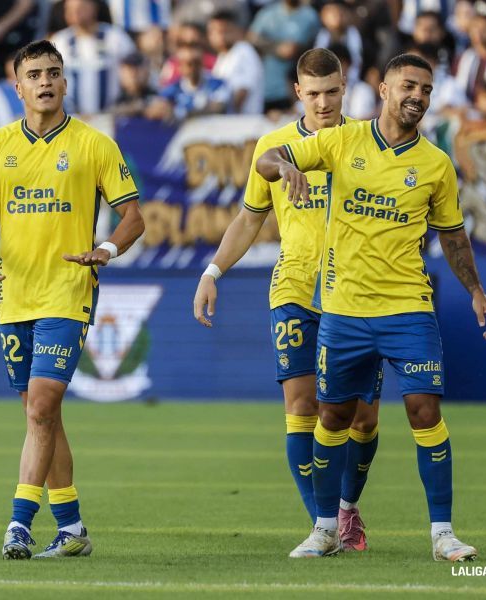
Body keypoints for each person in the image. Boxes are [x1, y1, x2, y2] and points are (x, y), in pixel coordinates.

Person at [256, 53, 486, 560]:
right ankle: (325, 529)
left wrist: (476, 290)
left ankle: (443, 534)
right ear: (384, 90)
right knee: (333, 417)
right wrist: (285, 167)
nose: (417, 96)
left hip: (408, 307)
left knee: (423, 409)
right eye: (408, 85)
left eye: (426, 89)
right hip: (344, 309)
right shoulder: (343, 140)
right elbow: (268, 158)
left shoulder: (436, 164)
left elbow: (453, 235)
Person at [0, 40, 145, 560]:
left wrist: (105, 249)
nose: (45, 82)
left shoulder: (94, 145)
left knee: (41, 407)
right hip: (13, 294)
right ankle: (72, 526)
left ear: (65, 82)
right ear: (18, 87)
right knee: (41, 415)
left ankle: (19, 524)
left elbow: (133, 217)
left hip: (68, 290)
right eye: (34, 74)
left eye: (54, 73)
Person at [193, 48, 381, 557]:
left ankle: (346, 506)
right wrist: (212, 272)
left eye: (332, 92)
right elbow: (249, 218)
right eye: (313, 93)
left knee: (363, 419)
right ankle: (323, 524)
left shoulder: (366, 141)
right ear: (297, 92)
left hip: (357, 295)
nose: (323, 103)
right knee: (302, 406)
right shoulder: (273, 147)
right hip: (295, 288)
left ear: (345, 89)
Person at [50, 0, 136, 115]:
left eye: (80, 8)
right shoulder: (59, 41)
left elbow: (135, 73)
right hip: (71, 118)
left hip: (111, 117)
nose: (74, 12)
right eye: (69, 9)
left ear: (93, 8)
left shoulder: (116, 37)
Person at [145, 41, 230, 121]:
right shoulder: (172, 89)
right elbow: (155, 109)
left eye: (196, 62)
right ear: (179, 66)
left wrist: (179, 113)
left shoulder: (217, 84)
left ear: (202, 63)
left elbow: (218, 107)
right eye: (188, 64)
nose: (193, 68)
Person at [208, 9, 265, 114]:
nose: (220, 36)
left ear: (237, 31)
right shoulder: (223, 57)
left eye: (224, 31)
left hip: (243, 121)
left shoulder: (243, 51)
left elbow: (242, 91)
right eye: (214, 31)